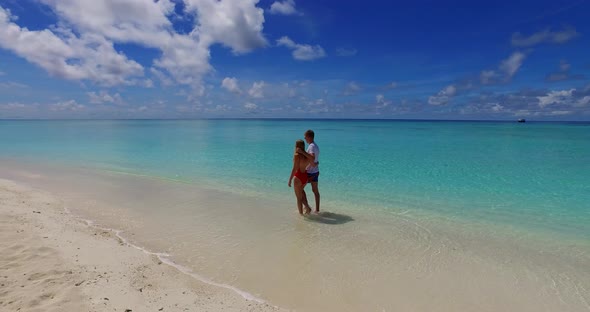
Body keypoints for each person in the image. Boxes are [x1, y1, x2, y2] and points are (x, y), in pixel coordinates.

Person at [296, 129, 320, 213]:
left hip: (309, 172)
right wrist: (315, 164)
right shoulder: (316, 146)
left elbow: (312, 157)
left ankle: (307, 207)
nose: (304, 138)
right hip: (315, 171)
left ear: (309, 137)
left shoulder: (311, 146)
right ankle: (317, 210)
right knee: (315, 191)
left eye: (305, 137)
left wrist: (301, 151)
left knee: (299, 190)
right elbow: (314, 160)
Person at [288, 140, 312, 215]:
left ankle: (301, 214)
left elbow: (294, 169)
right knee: (301, 193)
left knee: (299, 198)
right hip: (305, 176)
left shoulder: (297, 155)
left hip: (298, 177)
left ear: (297, 146)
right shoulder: (307, 155)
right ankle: (307, 208)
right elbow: (312, 160)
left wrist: (290, 179)